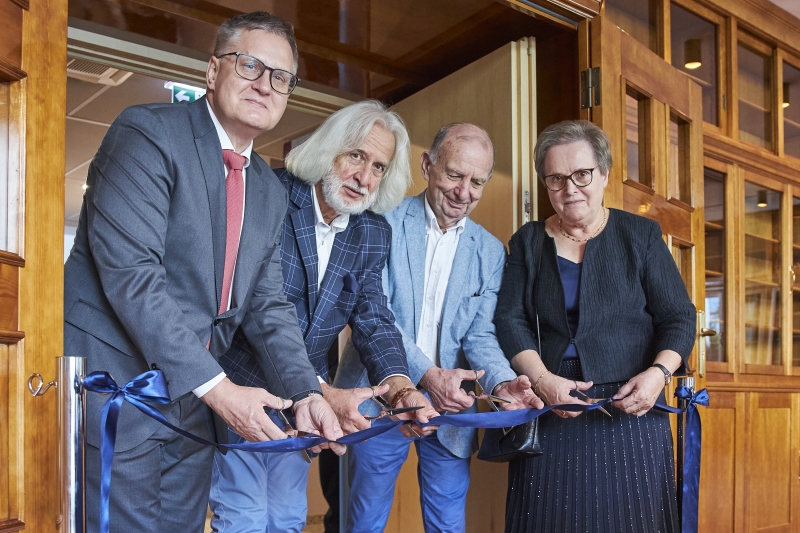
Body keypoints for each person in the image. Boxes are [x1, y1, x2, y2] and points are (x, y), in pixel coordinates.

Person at [63, 12, 344, 533]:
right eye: (250, 66)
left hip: (193, 403)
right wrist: (219, 389)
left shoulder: (266, 187)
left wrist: (308, 393)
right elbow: (133, 276)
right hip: (124, 386)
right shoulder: (146, 133)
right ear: (213, 72)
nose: (265, 84)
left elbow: (268, 305)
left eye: (280, 77)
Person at [209, 100, 438, 533]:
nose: (364, 177)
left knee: (288, 519)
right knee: (244, 519)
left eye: (378, 167)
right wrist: (315, 389)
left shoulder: (371, 232)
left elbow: (373, 318)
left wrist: (400, 386)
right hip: (243, 385)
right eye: (356, 155)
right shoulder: (268, 196)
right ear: (330, 148)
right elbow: (255, 312)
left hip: (303, 405)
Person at [336, 123, 543, 533]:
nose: (464, 192)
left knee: (448, 524)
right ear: (428, 165)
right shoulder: (382, 223)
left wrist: (502, 384)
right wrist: (429, 377)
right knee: (364, 522)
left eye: (477, 182)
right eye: (454, 175)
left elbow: (480, 334)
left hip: (451, 411)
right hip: (378, 400)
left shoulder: (488, 251)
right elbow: (378, 317)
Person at [494, 119, 697, 533]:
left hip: (633, 405)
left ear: (603, 174)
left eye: (582, 174)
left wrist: (659, 375)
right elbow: (509, 318)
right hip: (552, 402)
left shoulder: (639, 234)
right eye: (555, 178)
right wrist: (543, 379)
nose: (570, 189)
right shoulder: (528, 240)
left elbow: (679, 316)